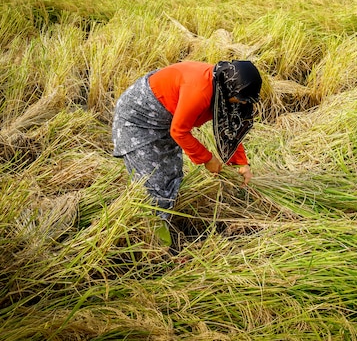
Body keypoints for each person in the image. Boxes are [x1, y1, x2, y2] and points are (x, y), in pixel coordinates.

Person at [112, 60, 262, 246]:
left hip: (165, 119)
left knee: (171, 175)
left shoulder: (224, 86)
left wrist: (241, 163)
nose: (244, 103)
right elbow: (179, 131)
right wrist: (207, 158)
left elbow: (230, 128)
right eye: (242, 98)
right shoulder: (200, 90)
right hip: (138, 119)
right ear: (231, 88)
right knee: (153, 185)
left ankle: (164, 226)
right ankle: (157, 248)